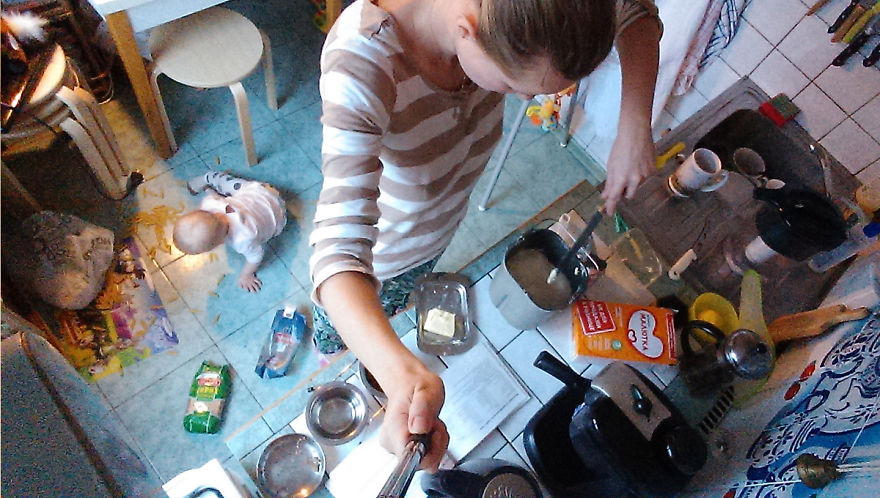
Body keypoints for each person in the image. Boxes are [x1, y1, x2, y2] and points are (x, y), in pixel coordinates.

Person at [310, 0, 662, 472]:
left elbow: (637, 12)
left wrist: (634, 126)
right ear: (467, 31)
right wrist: (399, 374)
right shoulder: (364, 60)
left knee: (404, 297)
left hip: (433, 235)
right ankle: (326, 352)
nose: (521, 99)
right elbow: (337, 257)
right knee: (341, 330)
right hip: (381, 259)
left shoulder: (514, 15)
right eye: (513, 85)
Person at [173, 171, 286, 292]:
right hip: (261, 190)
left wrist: (246, 275)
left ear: (219, 243)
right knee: (225, 185)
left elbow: (256, 256)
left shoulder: (242, 239)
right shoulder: (210, 202)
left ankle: (207, 180)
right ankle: (207, 178)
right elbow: (214, 203)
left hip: (279, 215)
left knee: (262, 230)